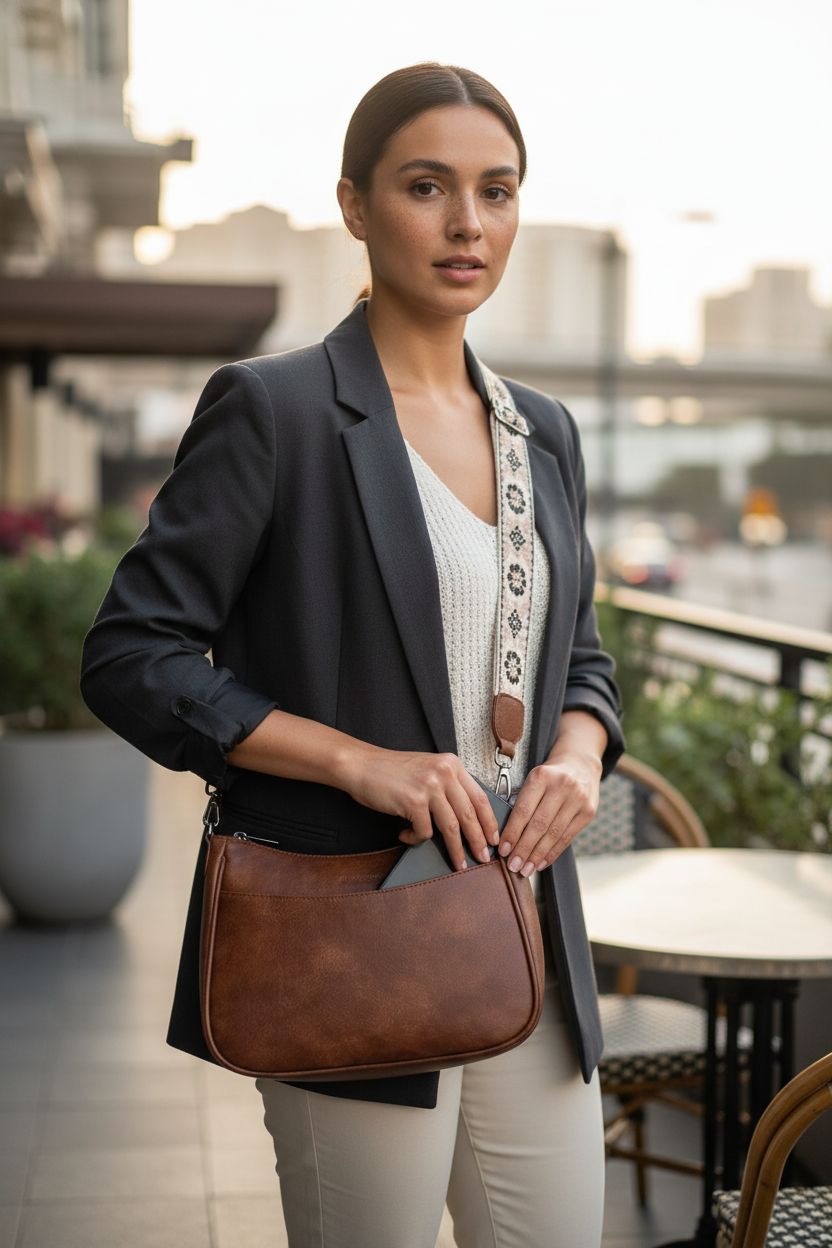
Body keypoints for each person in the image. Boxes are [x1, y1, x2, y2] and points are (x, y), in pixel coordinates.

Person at [79, 60, 625, 1248]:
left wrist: (579, 758)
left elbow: (580, 656)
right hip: (347, 936)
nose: (467, 222)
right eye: (427, 187)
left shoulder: (544, 431)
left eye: (496, 190)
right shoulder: (273, 410)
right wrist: (355, 760)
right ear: (355, 206)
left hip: (525, 926)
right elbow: (132, 656)